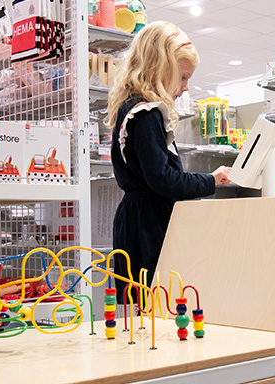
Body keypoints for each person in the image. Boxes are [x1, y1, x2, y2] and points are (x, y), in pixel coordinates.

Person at [104, 21, 230, 293]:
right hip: (148, 225)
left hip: (138, 219)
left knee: (141, 307)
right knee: (155, 303)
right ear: (159, 68)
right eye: (182, 77)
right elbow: (162, 179)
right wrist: (209, 180)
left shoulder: (131, 109)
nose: (185, 87)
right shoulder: (146, 114)